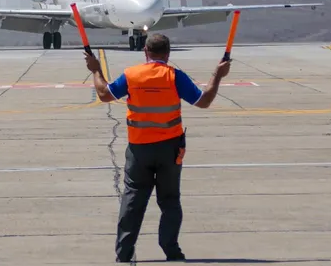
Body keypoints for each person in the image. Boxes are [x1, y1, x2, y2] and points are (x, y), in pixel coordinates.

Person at [84, 33, 230, 263]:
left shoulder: (132, 75)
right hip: (169, 149)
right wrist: (217, 75)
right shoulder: (174, 76)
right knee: (170, 200)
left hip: (139, 148)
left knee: (133, 199)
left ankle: (124, 252)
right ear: (168, 54)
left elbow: (104, 94)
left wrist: (95, 70)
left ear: (145, 52)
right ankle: (171, 249)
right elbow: (204, 101)